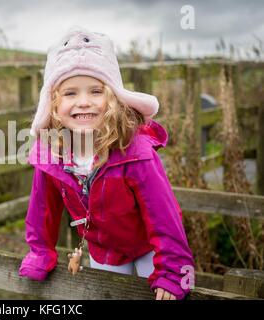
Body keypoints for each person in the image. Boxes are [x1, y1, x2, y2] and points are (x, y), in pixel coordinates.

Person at [18, 26, 195, 300]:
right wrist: (40, 253)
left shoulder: (135, 152)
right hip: (104, 250)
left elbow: (164, 214)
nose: (84, 102)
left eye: (96, 91)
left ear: (113, 98)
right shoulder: (51, 155)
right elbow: (42, 210)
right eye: (70, 93)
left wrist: (173, 270)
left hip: (149, 247)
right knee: (109, 294)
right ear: (52, 104)